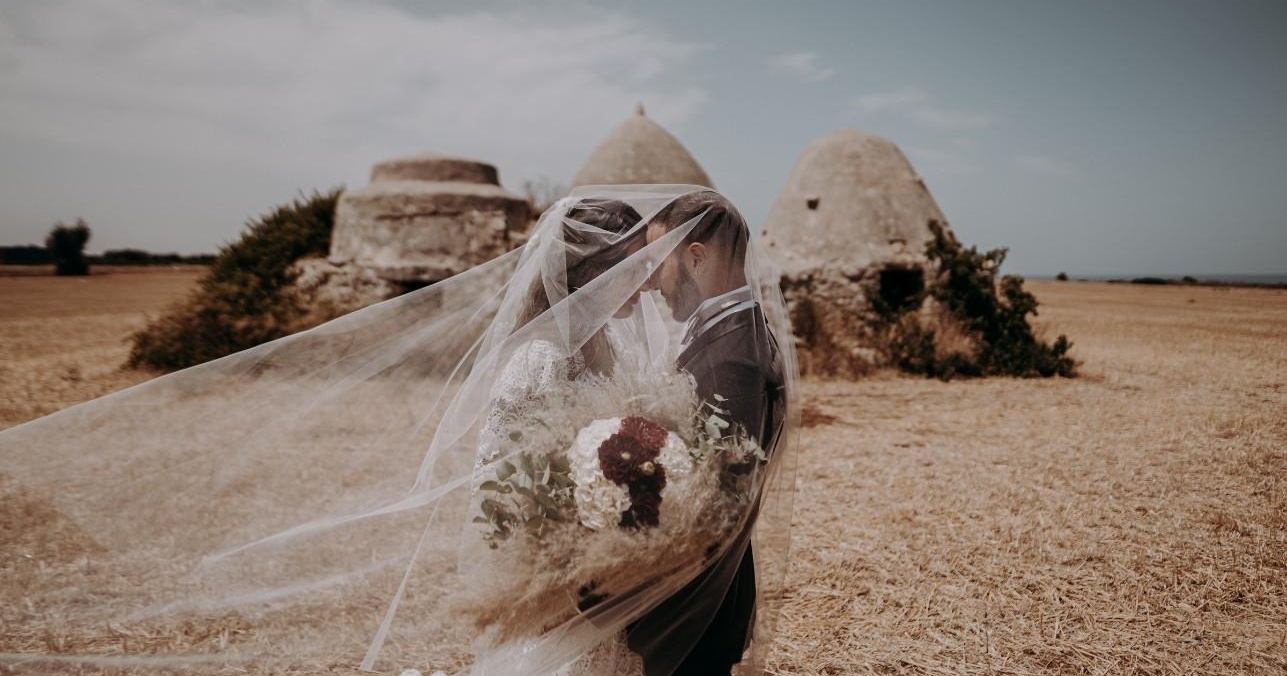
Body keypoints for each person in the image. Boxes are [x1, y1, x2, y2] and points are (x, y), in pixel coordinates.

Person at [0, 186, 796, 676]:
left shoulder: (621, 348)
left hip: (615, 573)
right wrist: (563, 552)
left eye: (647, 267)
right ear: (586, 274)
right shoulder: (537, 360)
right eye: (628, 269)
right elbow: (503, 479)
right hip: (567, 569)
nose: (645, 284)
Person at [627, 191, 787, 676]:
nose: (651, 282)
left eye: (658, 262)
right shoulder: (731, 329)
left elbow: (718, 501)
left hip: (698, 607)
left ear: (696, 258)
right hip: (694, 600)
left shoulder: (733, 355)